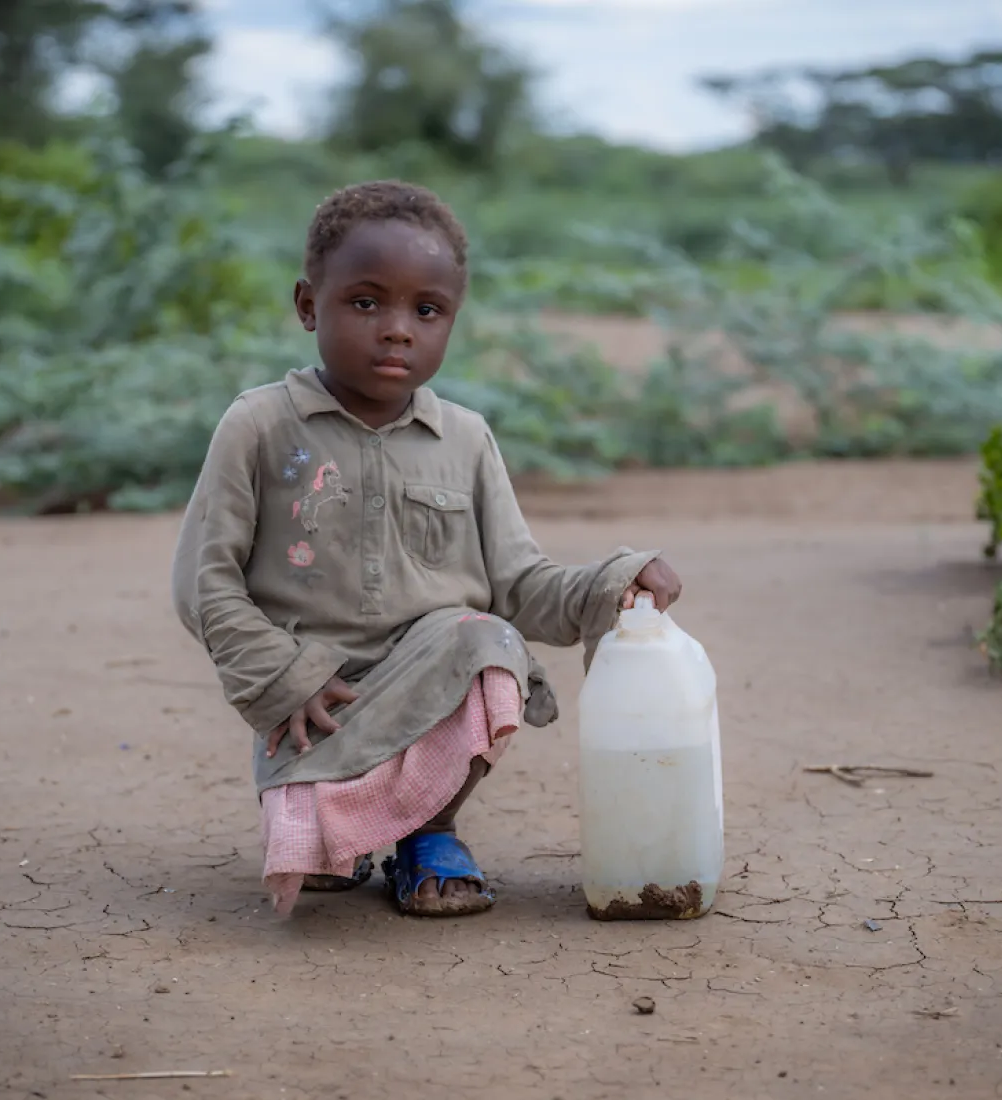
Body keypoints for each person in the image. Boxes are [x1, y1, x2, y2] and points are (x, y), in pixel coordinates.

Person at [171, 179, 683, 918]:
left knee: (485, 638)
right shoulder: (259, 426)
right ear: (309, 303)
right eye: (366, 302)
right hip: (312, 705)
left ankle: (429, 832)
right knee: (315, 849)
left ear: (452, 322)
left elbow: (521, 584)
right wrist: (284, 677)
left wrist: (616, 578)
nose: (398, 329)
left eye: (427, 310)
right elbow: (204, 580)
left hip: (433, 689)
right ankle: (328, 826)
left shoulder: (467, 440)